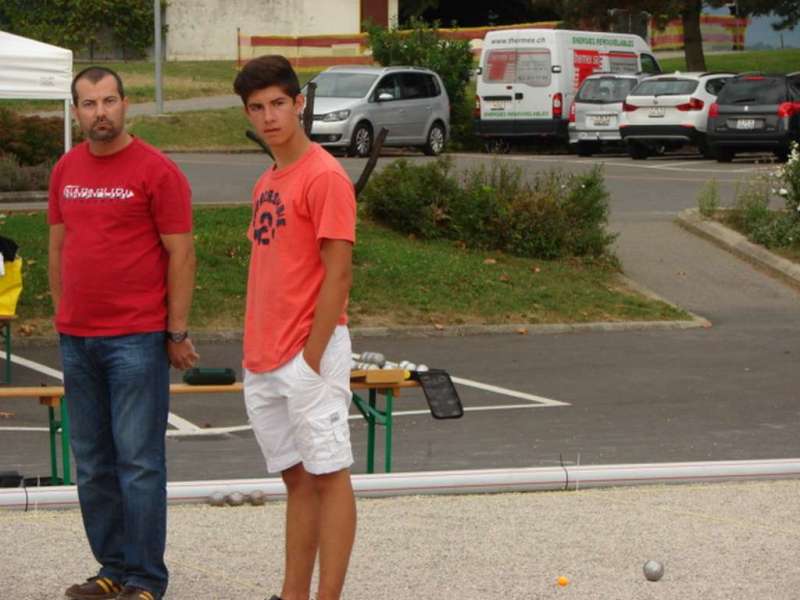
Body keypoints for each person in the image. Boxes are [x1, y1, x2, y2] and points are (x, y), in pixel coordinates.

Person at [48, 66, 198, 600]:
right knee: (91, 463)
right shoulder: (65, 169)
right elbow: (59, 245)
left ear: (125, 104)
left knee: (138, 463)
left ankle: (145, 579)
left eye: (108, 101)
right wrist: (62, 307)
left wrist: (175, 330)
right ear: (76, 112)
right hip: (77, 338)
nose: (100, 113)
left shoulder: (156, 171)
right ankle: (111, 569)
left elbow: (181, 253)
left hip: (136, 337)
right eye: (88, 104)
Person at [234, 55, 357, 600]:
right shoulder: (268, 179)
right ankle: (293, 594)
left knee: (329, 475)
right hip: (264, 354)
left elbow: (339, 271)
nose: (269, 117)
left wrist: (312, 356)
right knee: (296, 479)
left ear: (299, 104)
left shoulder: (324, 175)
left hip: (310, 351)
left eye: (278, 104)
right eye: (257, 107)